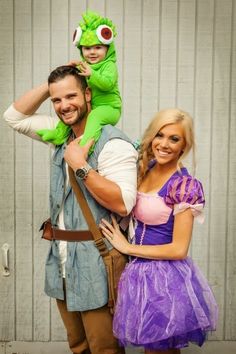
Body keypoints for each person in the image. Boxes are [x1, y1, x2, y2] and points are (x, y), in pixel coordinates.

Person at [3, 65, 138, 354]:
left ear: (88, 94)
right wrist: (52, 84)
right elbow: (13, 117)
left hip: (96, 261)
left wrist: (81, 165)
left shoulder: (113, 142)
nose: (64, 106)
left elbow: (124, 202)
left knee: (105, 349)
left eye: (72, 96)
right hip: (62, 259)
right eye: (57, 100)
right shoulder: (60, 133)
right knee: (78, 346)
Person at [100, 108, 218, 354]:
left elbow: (179, 249)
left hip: (164, 279)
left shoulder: (184, 186)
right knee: (152, 349)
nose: (164, 144)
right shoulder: (144, 168)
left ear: (184, 145)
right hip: (137, 273)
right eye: (160, 135)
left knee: (159, 351)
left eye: (174, 139)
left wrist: (127, 246)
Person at [37, 10, 121, 153]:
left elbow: (107, 84)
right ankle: (58, 135)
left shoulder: (109, 65)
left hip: (109, 108)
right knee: (70, 113)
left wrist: (91, 74)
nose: (92, 52)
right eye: (87, 48)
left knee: (94, 116)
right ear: (81, 50)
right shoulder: (85, 64)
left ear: (108, 49)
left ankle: (86, 147)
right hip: (93, 105)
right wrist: (73, 70)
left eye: (98, 47)